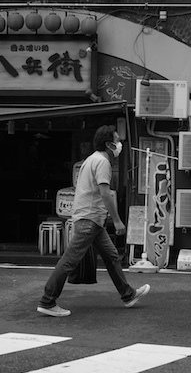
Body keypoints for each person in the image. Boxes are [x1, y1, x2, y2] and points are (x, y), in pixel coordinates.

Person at [37, 125, 150, 317]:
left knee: (112, 255)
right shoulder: (103, 162)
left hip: (92, 220)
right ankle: (47, 301)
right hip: (90, 220)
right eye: (117, 140)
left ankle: (127, 294)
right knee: (69, 261)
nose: (119, 144)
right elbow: (105, 194)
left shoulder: (91, 159)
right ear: (108, 144)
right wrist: (117, 221)